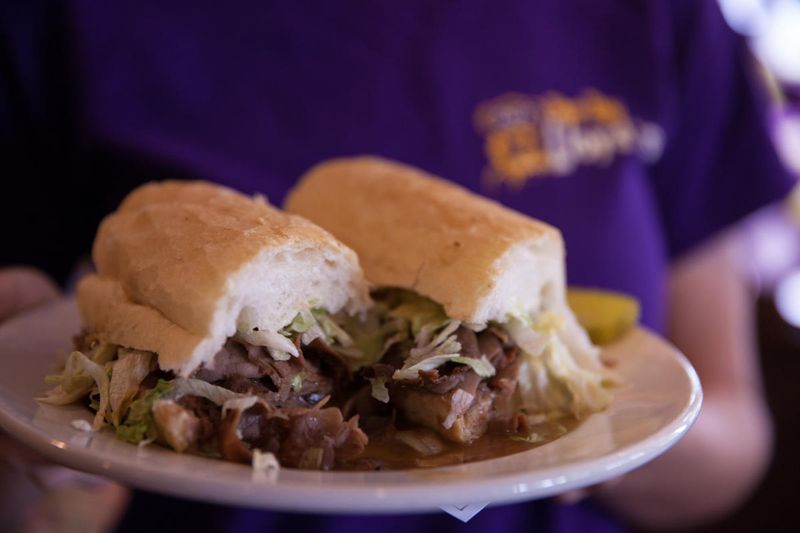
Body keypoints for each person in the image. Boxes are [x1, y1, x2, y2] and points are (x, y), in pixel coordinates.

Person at [0, 0, 795, 531]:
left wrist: (602, 446)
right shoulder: (63, 16)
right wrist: (31, 462)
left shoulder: (659, 13)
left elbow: (735, 440)